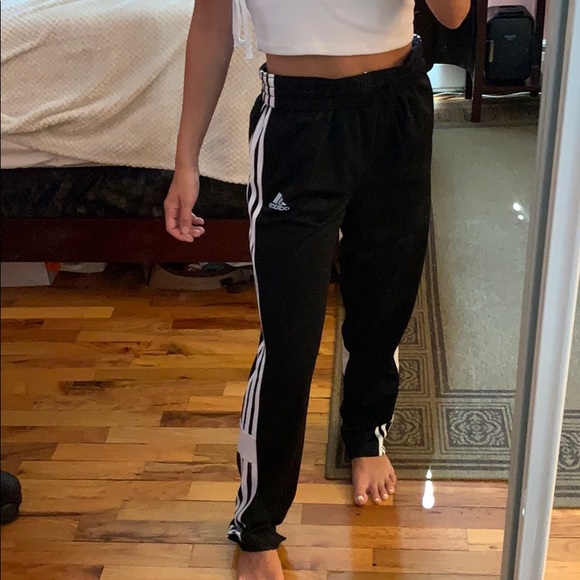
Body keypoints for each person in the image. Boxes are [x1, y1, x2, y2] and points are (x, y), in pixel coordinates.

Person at [164, 1, 470, 578]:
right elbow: (210, 26)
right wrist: (186, 160)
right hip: (297, 121)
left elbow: (454, 17)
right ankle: (257, 525)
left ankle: (365, 435)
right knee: (289, 340)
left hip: (398, 108)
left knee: (383, 305)